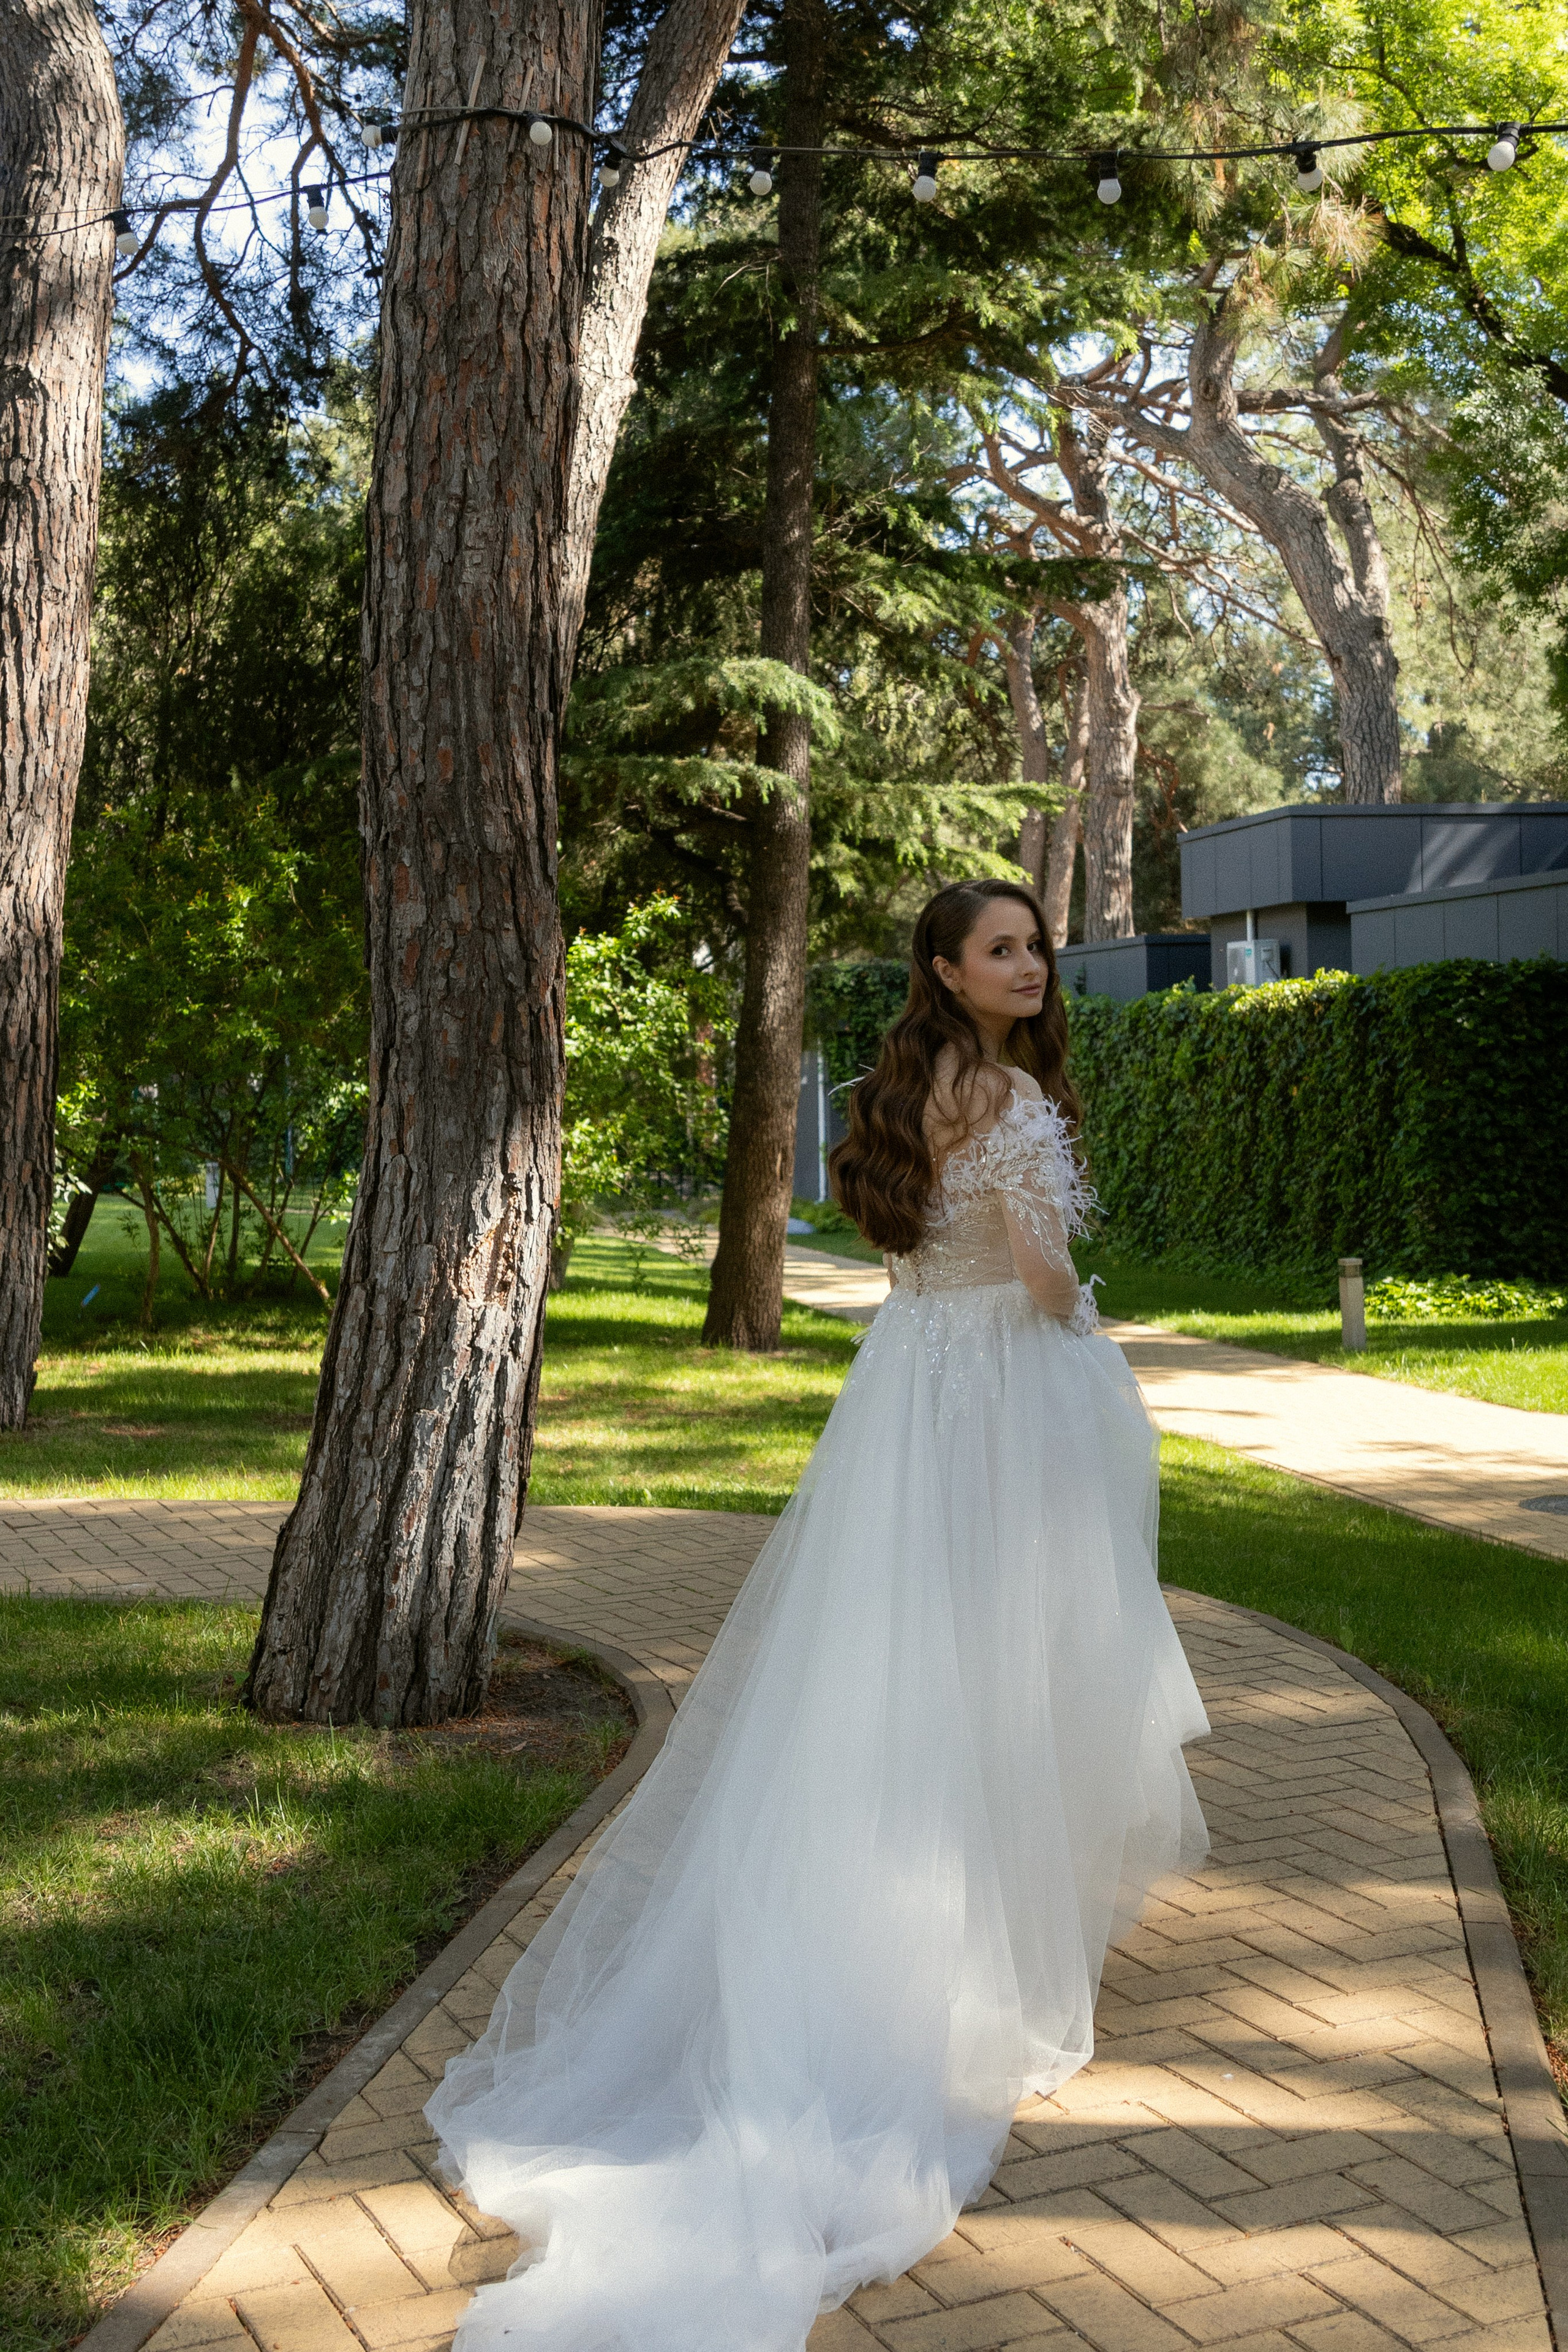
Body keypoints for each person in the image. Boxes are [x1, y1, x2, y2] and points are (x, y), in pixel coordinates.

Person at [427, 877, 1210, 2352]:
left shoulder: (911, 1090)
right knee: (1003, 1673)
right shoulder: (1016, 1105)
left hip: (909, 1401)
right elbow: (1043, 1280)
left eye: (1036, 945)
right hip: (1002, 1410)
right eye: (1001, 948)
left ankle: (901, 1931)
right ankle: (967, 1968)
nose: (1030, 964)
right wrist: (1093, 1335)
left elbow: (917, 1260)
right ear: (944, 967)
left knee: (890, 1677)